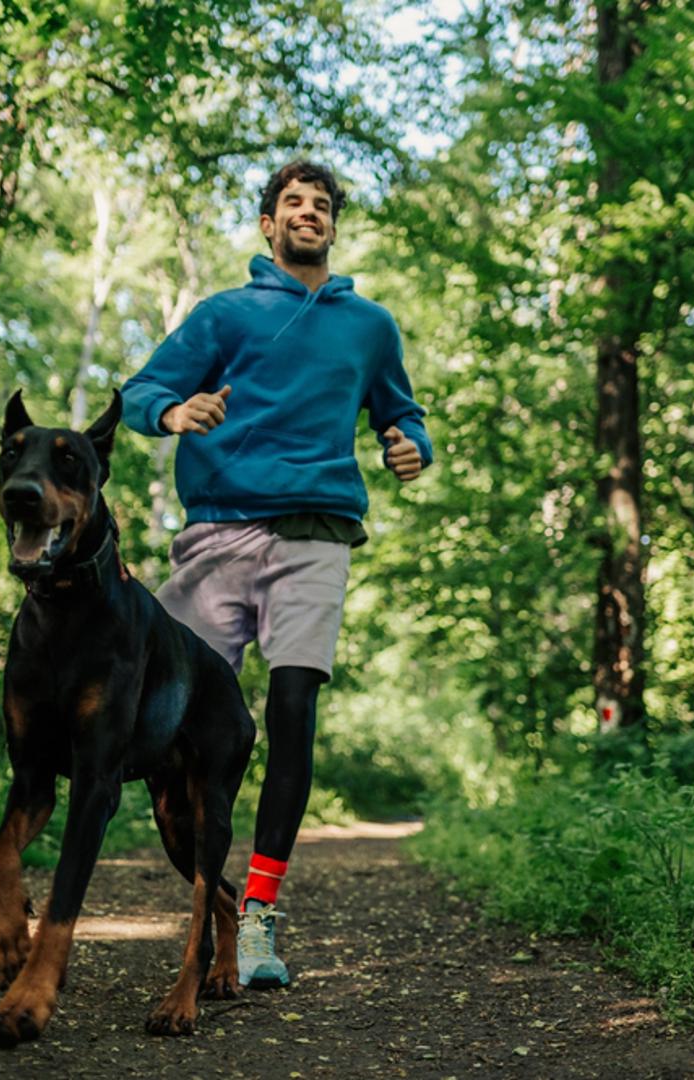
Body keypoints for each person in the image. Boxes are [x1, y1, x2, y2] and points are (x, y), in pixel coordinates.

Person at [121, 159, 432, 989]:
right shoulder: (224, 314)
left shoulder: (370, 325)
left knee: (293, 703)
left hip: (315, 534)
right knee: (172, 728)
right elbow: (140, 389)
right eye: (293, 202)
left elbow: (402, 411)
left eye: (322, 205)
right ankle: (212, 901)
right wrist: (175, 411)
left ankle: (258, 918)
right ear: (268, 224)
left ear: (333, 225)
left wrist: (411, 445)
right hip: (217, 535)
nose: (309, 213)